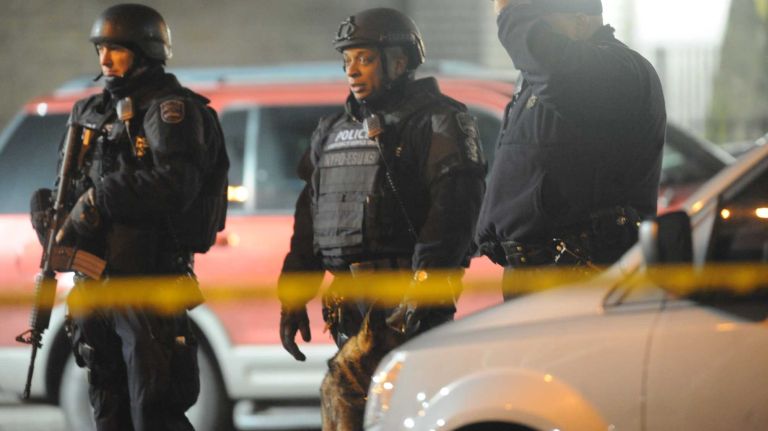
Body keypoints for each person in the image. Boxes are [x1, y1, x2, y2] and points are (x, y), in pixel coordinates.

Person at [29, 4, 229, 430]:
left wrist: (101, 199)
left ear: (146, 51)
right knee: (108, 408)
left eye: (116, 49)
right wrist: (49, 211)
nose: (104, 59)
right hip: (95, 285)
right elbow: (71, 183)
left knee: (154, 410)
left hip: (148, 283)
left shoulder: (171, 110)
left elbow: (176, 184)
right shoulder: (89, 112)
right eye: (101, 48)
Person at [277, 6, 486, 370]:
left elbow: (453, 213)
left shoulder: (439, 121)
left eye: (365, 59)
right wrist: (293, 297)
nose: (351, 71)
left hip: (408, 299)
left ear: (400, 63)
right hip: (347, 304)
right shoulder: (331, 130)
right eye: (347, 60)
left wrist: (423, 292)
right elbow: (310, 219)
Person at [476, 0, 666, 299]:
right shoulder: (543, 81)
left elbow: (556, 71)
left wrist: (512, 12)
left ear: (580, 21)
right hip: (532, 276)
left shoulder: (619, 69)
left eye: (543, 25)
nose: (540, 39)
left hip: (580, 275)